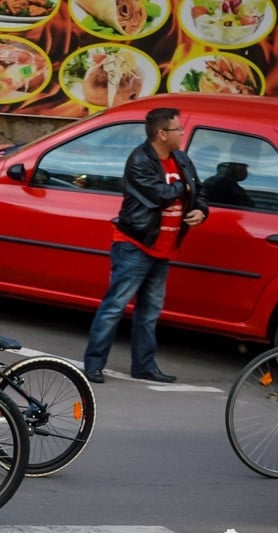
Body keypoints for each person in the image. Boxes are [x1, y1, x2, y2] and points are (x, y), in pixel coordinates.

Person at [82, 108, 208, 384]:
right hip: (135, 245)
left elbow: (199, 191)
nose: (183, 134)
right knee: (114, 306)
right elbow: (159, 195)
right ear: (162, 134)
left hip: (164, 248)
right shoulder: (139, 161)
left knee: (149, 312)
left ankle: (144, 366)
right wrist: (184, 190)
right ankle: (93, 364)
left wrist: (201, 210)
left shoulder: (182, 160)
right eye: (178, 130)